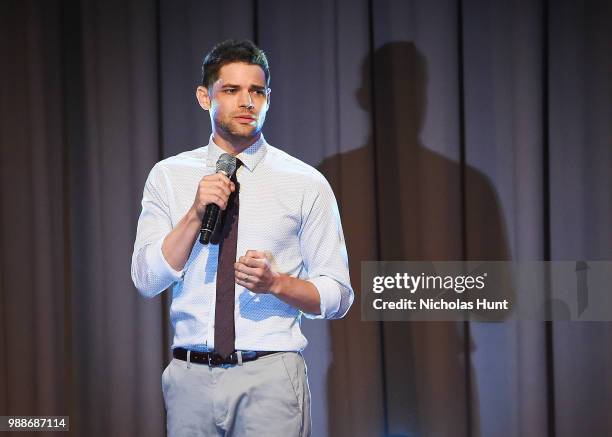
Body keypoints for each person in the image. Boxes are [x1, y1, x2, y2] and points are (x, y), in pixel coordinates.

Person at [131, 39, 353, 437]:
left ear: (269, 99)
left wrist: (277, 284)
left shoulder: (305, 182)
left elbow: (338, 294)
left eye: (257, 91)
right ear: (205, 97)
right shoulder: (168, 175)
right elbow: (147, 280)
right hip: (190, 378)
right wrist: (195, 213)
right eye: (231, 90)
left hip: (270, 376)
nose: (247, 101)